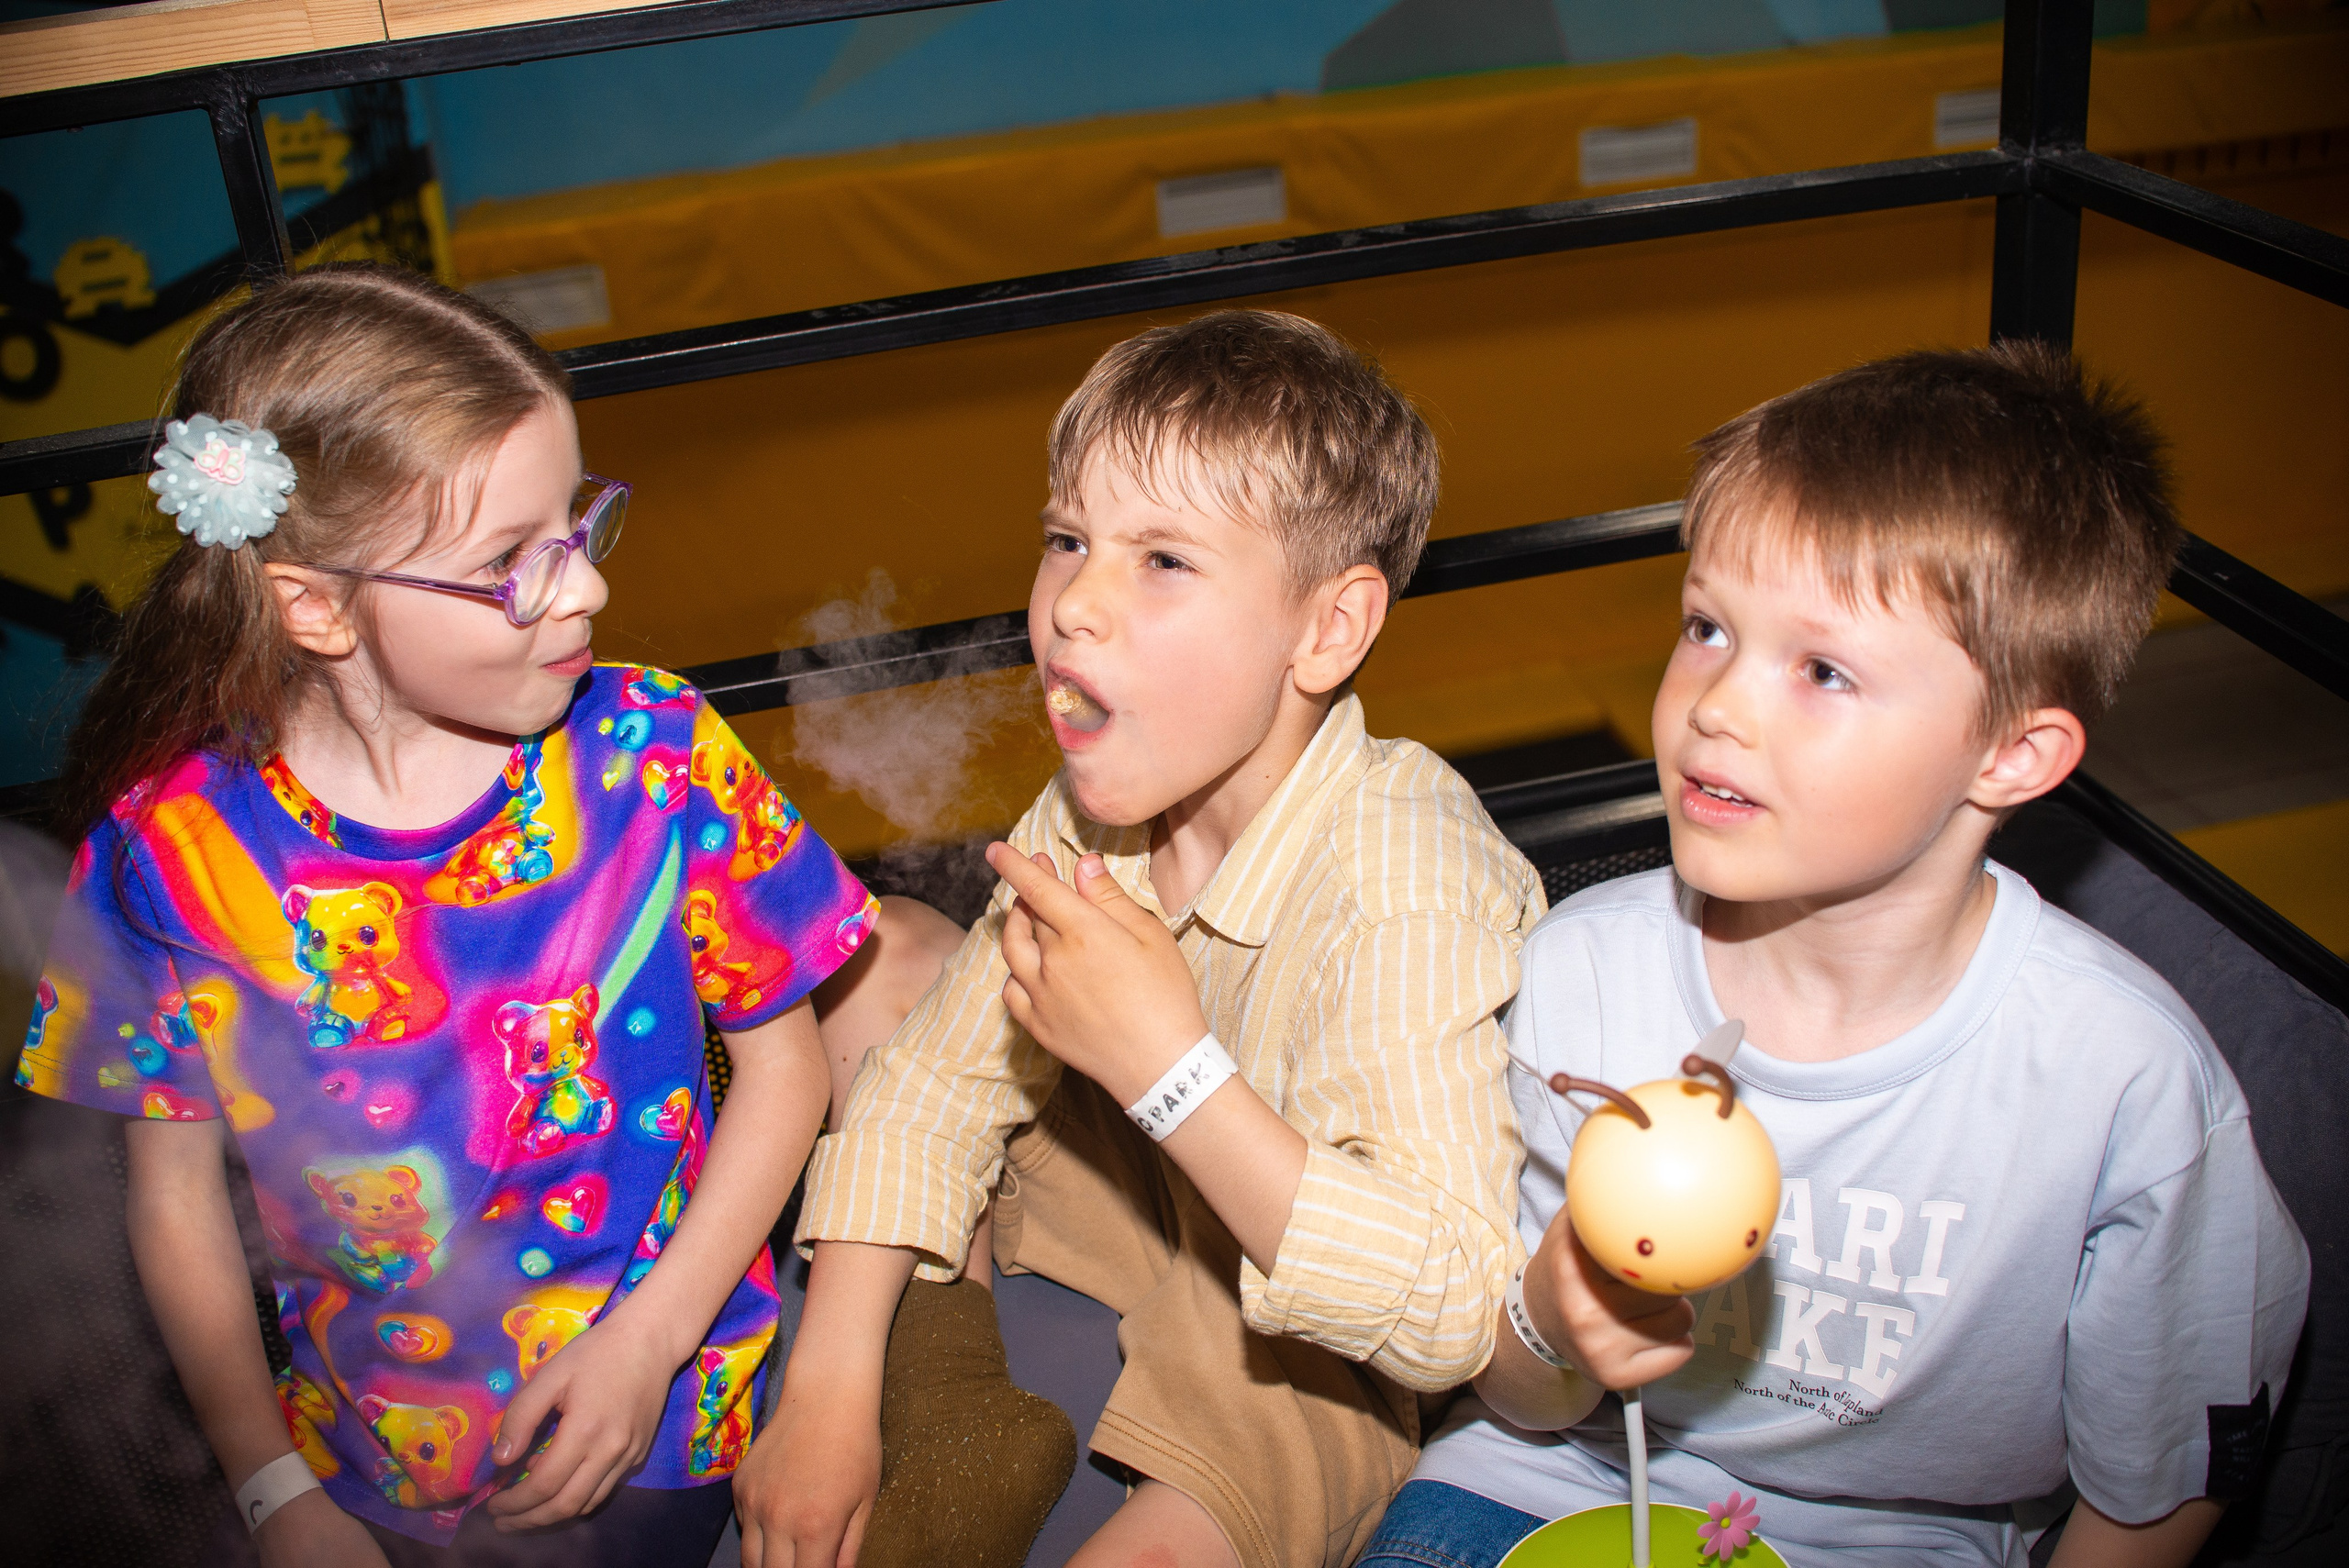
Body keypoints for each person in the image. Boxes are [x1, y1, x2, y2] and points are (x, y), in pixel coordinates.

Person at [14, 263, 963, 1568]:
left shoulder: (655, 750)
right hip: (362, 1469)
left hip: (663, 1419)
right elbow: (173, 1202)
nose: (582, 590)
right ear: (313, 602)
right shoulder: (168, 854)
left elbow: (787, 1064)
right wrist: (271, 1485)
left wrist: (647, 1343)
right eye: (509, 562)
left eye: (577, 524)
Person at [1358, 344, 2312, 1568]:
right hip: (1550, 1480)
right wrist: (1550, 1323)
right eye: (1708, 625)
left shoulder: (2121, 1080)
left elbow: (2158, 1483)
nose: (1717, 705)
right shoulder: (1578, 977)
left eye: (1822, 669)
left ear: (2011, 757)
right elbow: (1517, 1399)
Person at [733, 309, 1547, 1568]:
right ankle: (945, 1392)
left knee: (1234, 1461)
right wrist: (827, 1390)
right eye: (1068, 540)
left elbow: (1450, 1302)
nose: (1072, 608)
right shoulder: (1093, 807)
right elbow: (935, 1086)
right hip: (1116, 1214)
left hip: (1300, 1346)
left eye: (1162, 560)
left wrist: (1174, 1070)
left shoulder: (1405, 877)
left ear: (1327, 629)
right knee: (880, 957)